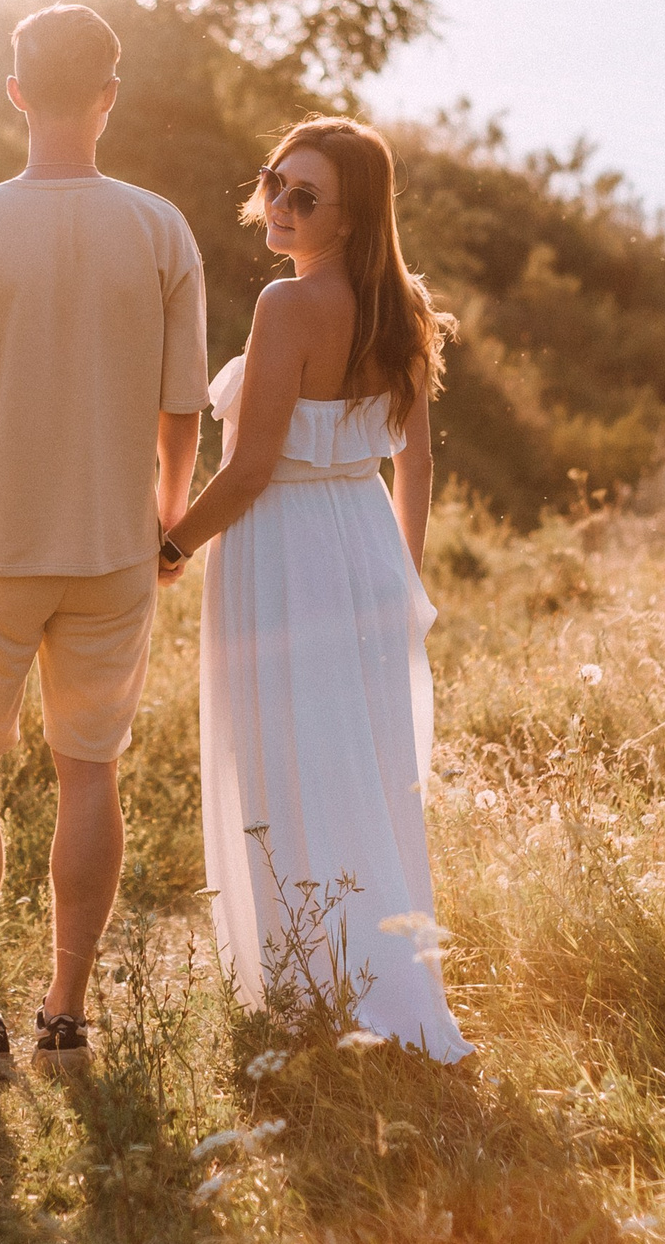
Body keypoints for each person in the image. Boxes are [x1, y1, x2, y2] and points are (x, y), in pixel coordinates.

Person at [0, 3, 209, 1080]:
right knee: (88, 773)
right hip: (113, 548)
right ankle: (65, 1014)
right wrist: (166, 519)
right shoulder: (161, 228)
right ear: (108, 95)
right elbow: (182, 411)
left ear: (15, 91)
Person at [159, 115, 472, 1063]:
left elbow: (251, 467)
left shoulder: (285, 308)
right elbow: (413, 461)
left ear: (351, 215)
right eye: (275, 184)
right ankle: (356, 978)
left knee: (289, 756)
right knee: (362, 767)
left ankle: (315, 986)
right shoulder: (402, 301)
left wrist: (167, 547)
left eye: (306, 198)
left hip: (284, 543)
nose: (280, 207)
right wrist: (401, 570)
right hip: (362, 538)